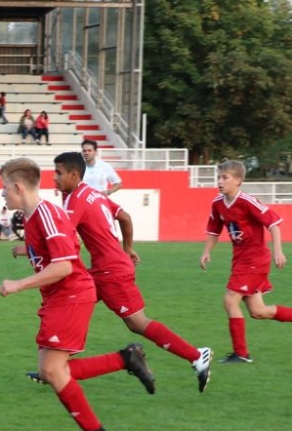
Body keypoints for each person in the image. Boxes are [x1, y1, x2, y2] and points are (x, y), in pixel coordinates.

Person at [0, 157, 155, 431]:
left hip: (71, 295)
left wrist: (18, 284)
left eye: (4, 188)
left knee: (52, 370)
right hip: (60, 296)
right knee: (49, 370)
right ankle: (126, 359)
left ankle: (95, 430)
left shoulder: (46, 213)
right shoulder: (35, 217)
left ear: (18, 187)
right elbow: (70, 245)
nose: (2, 194)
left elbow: (64, 267)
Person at [31, 151, 212, 390]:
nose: (54, 178)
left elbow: (64, 237)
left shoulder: (76, 200)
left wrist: (28, 247)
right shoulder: (95, 194)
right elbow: (124, 217)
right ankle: (52, 366)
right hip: (104, 269)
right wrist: (127, 248)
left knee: (137, 322)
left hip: (110, 272)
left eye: (58, 173)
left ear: (74, 175)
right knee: (70, 303)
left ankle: (196, 355)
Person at [201, 159, 292, 363]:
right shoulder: (218, 203)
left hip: (255, 260)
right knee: (258, 311)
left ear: (238, 180)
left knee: (230, 300)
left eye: (225, 177)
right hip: (240, 260)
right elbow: (214, 230)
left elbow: (274, 224)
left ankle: (241, 354)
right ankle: (241, 353)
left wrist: (278, 251)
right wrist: (206, 251)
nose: (220, 181)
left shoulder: (247, 201)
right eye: (219, 177)